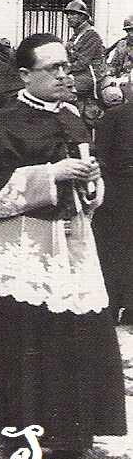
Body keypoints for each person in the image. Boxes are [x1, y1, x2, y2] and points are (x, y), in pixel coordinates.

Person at [0, 32, 126, 459]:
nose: (62, 75)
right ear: (23, 75)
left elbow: (90, 191)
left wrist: (91, 183)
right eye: (51, 68)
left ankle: (73, 435)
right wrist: (50, 174)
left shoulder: (73, 119)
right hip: (20, 247)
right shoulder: (3, 123)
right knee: (25, 335)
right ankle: (17, 435)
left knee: (75, 335)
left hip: (70, 244)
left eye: (65, 66)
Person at [90, 77, 133, 322]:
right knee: (115, 246)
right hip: (120, 188)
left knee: (118, 246)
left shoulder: (114, 115)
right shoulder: (115, 116)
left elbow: (101, 154)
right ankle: (115, 302)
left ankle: (122, 304)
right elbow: (102, 155)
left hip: (121, 186)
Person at [62, 0, 106, 106]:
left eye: (72, 14)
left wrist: (65, 71)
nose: (68, 17)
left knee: (61, 90)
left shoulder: (91, 35)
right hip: (78, 74)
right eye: (67, 14)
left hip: (90, 76)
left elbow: (82, 63)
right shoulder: (77, 35)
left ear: (82, 17)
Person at [107, 15, 133, 79]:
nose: (131, 34)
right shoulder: (122, 44)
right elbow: (114, 64)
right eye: (129, 30)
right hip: (123, 81)